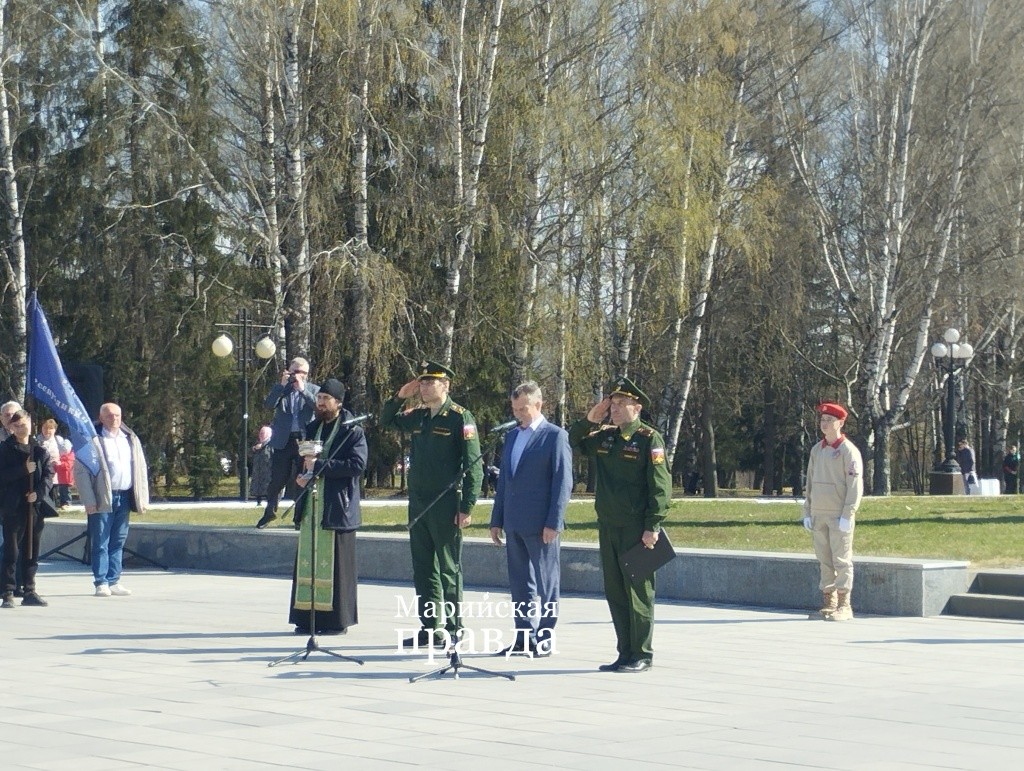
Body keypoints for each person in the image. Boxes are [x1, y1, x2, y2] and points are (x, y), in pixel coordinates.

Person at [569, 377, 672, 673]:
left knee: (638, 592)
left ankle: (642, 653)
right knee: (615, 591)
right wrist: (591, 418)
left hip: (637, 528)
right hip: (609, 525)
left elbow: (660, 487)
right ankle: (624, 651)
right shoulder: (606, 437)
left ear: (636, 407)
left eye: (620, 403)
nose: (614, 409)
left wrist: (653, 525)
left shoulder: (648, 439)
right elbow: (572, 441)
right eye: (611, 403)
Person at [380, 359, 483, 647]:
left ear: (445, 385)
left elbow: (474, 465)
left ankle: (453, 627)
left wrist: (468, 507)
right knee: (423, 567)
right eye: (422, 382)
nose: (424, 387)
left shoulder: (459, 417)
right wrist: (400, 396)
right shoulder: (420, 416)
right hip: (419, 502)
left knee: (449, 568)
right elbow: (387, 421)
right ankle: (430, 627)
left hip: (446, 502)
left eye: (430, 382)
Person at [489, 381, 572, 657]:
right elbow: (504, 483)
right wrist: (496, 519)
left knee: (547, 582)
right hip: (513, 522)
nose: (518, 414)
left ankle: (545, 637)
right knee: (520, 582)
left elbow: (562, 482)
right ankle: (524, 636)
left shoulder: (555, 436)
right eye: (514, 409)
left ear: (538, 405)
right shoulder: (512, 436)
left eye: (523, 409)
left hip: (541, 525)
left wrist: (554, 522)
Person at [288, 379, 367, 635]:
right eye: (319, 398)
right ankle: (306, 618)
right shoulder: (313, 427)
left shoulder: (352, 430)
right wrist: (302, 476)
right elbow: (305, 463)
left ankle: (336, 621)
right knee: (308, 562)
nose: (320, 403)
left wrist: (320, 466)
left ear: (339, 402)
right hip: (313, 505)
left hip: (337, 506)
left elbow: (357, 465)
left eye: (326, 399)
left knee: (336, 568)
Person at [73, 402, 150, 597]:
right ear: (101, 418)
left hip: (124, 496)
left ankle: (114, 580)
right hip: (102, 497)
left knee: (118, 540)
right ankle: (101, 581)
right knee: (100, 540)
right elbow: (81, 472)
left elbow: (140, 469)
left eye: (117, 415)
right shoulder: (93, 439)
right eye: (109, 416)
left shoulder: (130, 438)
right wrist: (88, 500)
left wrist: (142, 499)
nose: (114, 419)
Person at [802, 402, 863, 621]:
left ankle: (845, 605)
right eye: (822, 420)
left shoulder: (848, 451)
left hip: (839, 515)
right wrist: (807, 511)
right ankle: (829, 602)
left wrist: (848, 513)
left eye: (829, 420)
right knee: (824, 559)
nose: (824, 424)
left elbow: (854, 485)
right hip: (819, 514)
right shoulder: (817, 450)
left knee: (842, 560)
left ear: (841, 423)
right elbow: (810, 482)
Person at [256, 357, 320, 528]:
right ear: (289, 371)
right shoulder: (282, 389)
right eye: (295, 372)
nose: (298, 376)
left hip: (305, 440)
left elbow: (319, 408)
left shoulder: (314, 389)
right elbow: (268, 406)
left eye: (302, 373)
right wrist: (281, 387)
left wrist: (303, 390)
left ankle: (299, 518)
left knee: (302, 479)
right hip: (283, 440)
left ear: (307, 374)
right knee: (277, 479)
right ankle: (270, 513)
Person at [0, 410, 55, 608]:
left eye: (25, 424)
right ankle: (7, 590)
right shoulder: (6, 449)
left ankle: (29, 589)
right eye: (18, 425)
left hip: (34, 507)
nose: (22, 429)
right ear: (11, 428)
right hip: (13, 507)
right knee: (11, 549)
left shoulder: (38, 450)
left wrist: (38, 494)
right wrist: (23, 470)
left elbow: (48, 476)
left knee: (32, 549)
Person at [38, 418, 74, 507]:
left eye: (50, 428)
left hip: (56, 471)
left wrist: (58, 461)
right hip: (42, 470)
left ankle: (58, 504)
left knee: (55, 489)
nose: (47, 430)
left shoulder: (59, 440)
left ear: (55, 429)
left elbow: (66, 453)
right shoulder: (37, 440)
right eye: (45, 428)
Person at [250, 425, 273, 506]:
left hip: (268, 470)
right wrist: (255, 448)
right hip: (258, 470)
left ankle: (269, 501)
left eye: (264, 433)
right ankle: (258, 500)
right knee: (258, 485)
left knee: (268, 486)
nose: (262, 435)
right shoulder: (257, 445)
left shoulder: (271, 444)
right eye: (261, 433)